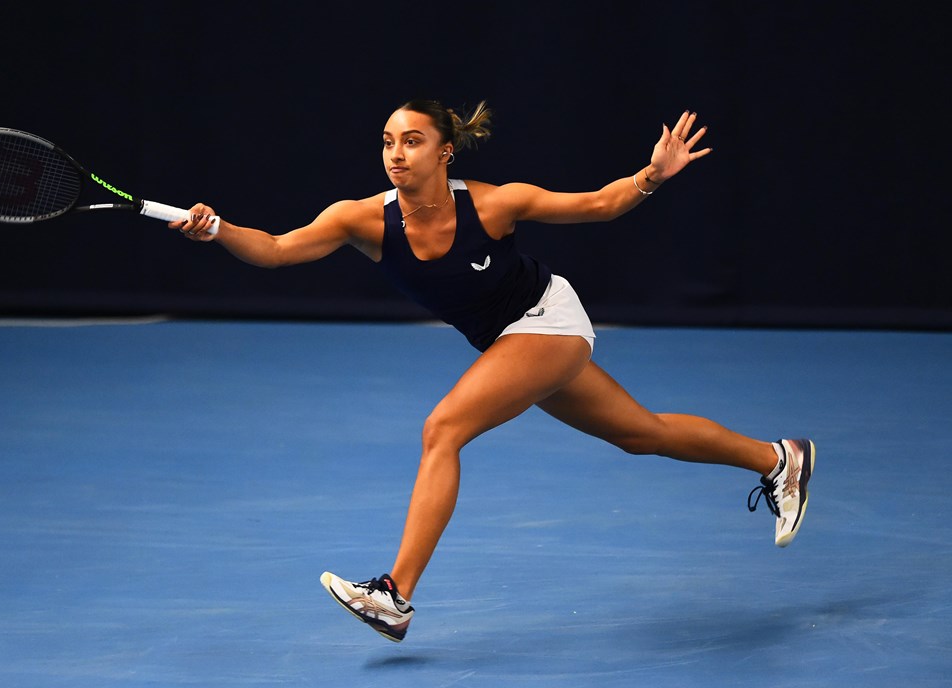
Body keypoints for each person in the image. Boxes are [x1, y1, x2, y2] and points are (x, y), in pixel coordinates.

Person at [172, 99, 815, 643]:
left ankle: (394, 595)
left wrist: (653, 173)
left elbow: (596, 205)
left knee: (443, 428)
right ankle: (778, 458)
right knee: (642, 433)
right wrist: (220, 228)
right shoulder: (361, 219)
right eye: (389, 142)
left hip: (549, 320)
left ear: (446, 151)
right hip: (508, 340)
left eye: (414, 141)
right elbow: (279, 250)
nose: (397, 154)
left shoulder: (493, 205)